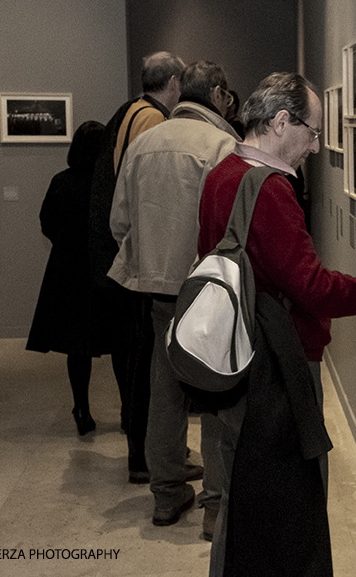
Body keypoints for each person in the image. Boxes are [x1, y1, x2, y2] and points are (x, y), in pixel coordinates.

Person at [197, 72, 356, 577]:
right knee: (288, 512)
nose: (318, 146)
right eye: (314, 131)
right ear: (281, 123)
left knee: (242, 502)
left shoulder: (222, 174)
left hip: (231, 362)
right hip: (272, 372)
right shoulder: (270, 191)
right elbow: (314, 289)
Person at [108, 60, 239, 530]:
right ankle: (217, 506)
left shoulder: (143, 142)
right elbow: (232, 226)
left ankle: (165, 494)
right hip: (207, 288)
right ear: (220, 96)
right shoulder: (224, 145)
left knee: (164, 392)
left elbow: (118, 222)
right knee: (216, 393)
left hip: (156, 289)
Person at [88, 51, 185, 482]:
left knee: (138, 356)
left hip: (129, 258)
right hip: (143, 265)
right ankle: (146, 456)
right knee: (146, 360)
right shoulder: (151, 120)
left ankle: (143, 452)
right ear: (174, 83)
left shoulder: (131, 112)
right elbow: (147, 196)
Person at [26, 121, 109, 435]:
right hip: (106, 269)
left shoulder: (61, 181)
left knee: (78, 346)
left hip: (70, 270)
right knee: (118, 342)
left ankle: (82, 408)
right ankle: (129, 413)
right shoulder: (110, 184)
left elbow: (47, 222)